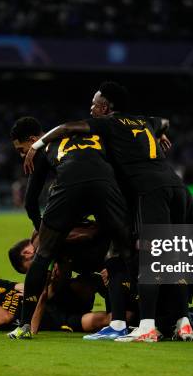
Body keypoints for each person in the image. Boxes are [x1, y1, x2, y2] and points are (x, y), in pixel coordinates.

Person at [23, 83, 193, 342]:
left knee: (145, 257)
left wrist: (37, 145)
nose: (91, 108)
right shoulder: (142, 121)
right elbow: (163, 121)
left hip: (147, 193)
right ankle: (182, 321)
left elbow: (66, 128)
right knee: (166, 254)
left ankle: (147, 326)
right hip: (176, 186)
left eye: (95, 103)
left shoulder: (108, 124)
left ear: (106, 107)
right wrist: (161, 132)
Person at [7, 116, 132, 340]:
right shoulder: (96, 138)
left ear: (34, 140)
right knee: (119, 253)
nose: (22, 155)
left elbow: (30, 201)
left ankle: (24, 325)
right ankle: (127, 321)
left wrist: (44, 232)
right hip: (105, 183)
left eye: (21, 149)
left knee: (42, 256)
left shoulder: (44, 148)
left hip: (70, 185)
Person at [0, 275, 112, 334]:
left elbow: (25, 288)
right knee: (101, 320)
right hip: (52, 319)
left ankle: (132, 301)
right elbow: (5, 318)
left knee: (88, 280)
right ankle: (128, 321)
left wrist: (50, 283)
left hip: (52, 299)